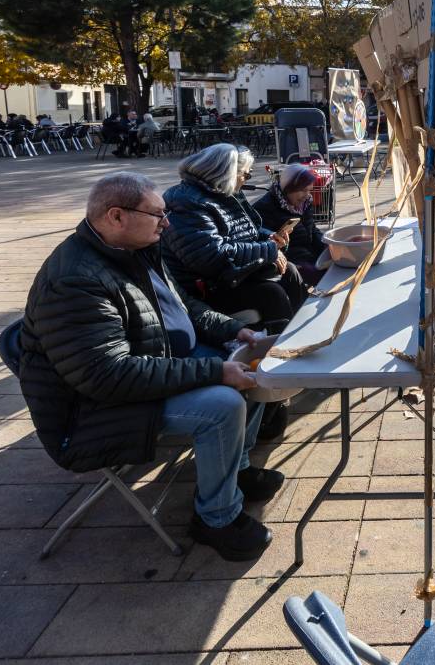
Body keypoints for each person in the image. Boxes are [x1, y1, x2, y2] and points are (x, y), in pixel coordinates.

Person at [19, 172, 282, 561]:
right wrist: (215, 372)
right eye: (158, 214)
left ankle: (236, 471)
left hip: (155, 362)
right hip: (96, 407)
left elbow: (182, 306)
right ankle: (215, 518)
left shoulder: (135, 248)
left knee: (253, 368)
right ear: (117, 216)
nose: (167, 223)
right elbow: (108, 376)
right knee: (224, 404)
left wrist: (233, 330)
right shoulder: (74, 281)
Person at [162, 143, 306, 330]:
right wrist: (268, 249)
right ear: (226, 173)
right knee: (271, 294)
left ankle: (303, 329)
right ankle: (282, 341)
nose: (246, 180)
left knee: (290, 271)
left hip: (231, 275)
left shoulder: (223, 193)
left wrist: (271, 238)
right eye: (246, 174)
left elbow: (250, 230)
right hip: (207, 288)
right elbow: (211, 257)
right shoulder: (187, 204)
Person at [252, 163, 328, 286]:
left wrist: (326, 245)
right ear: (289, 188)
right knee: (324, 277)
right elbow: (261, 240)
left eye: (309, 190)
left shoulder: (305, 203)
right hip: (289, 262)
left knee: (337, 263)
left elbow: (312, 229)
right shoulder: (265, 207)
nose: (307, 195)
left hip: (309, 254)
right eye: (303, 190)